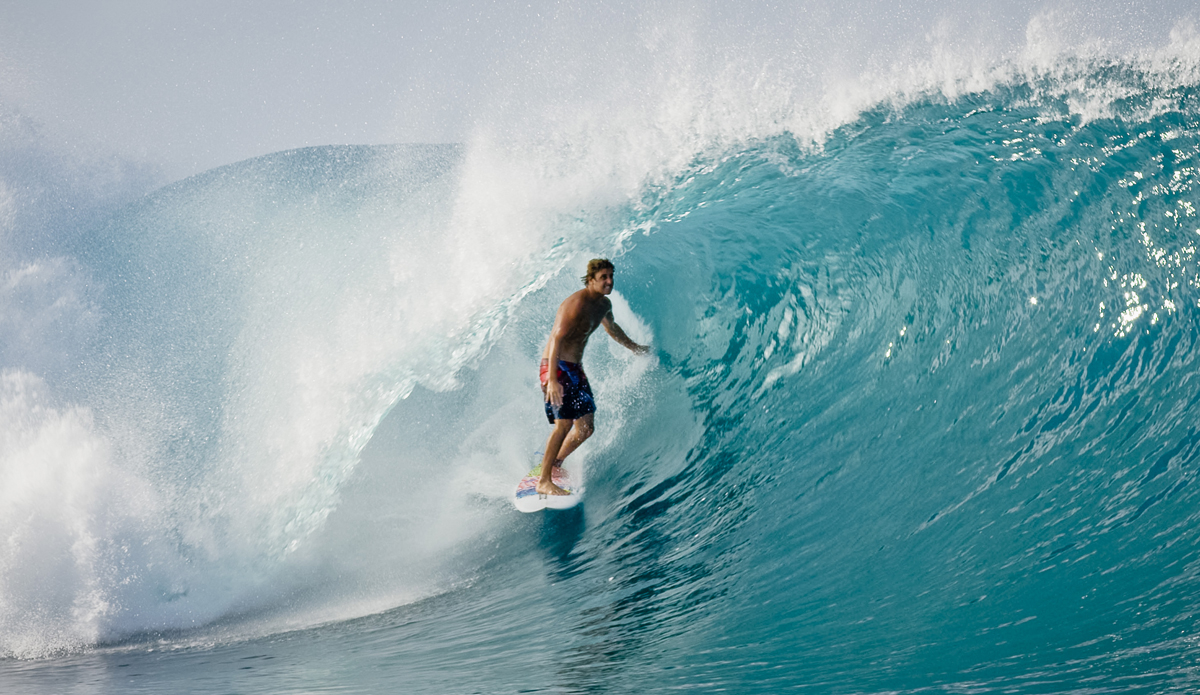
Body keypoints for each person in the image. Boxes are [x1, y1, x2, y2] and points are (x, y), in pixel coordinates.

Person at [538, 258, 649, 495]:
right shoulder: (575, 304)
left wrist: (635, 347)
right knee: (564, 424)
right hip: (556, 366)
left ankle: (555, 462)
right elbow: (557, 338)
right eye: (603, 278)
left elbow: (612, 329)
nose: (609, 281)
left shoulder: (603, 305)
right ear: (590, 280)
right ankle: (543, 481)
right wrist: (553, 380)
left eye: (611, 276)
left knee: (586, 428)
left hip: (574, 369)